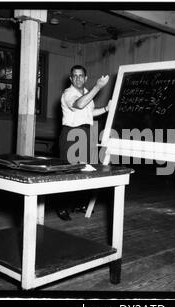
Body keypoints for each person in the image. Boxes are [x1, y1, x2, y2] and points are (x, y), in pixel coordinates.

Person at [57, 65, 111, 220]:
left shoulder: (86, 93)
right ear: (70, 78)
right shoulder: (68, 93)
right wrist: (98, 87)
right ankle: (62, 207)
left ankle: (79, 203)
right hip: (71, 134)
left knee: (85, 170)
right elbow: (79, 105)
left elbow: (88, 113)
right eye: (75, 76)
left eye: (81, 76)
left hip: (87, 132)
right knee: (68, 172)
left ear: (85, 78)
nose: (78, 78)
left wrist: (106, 108)